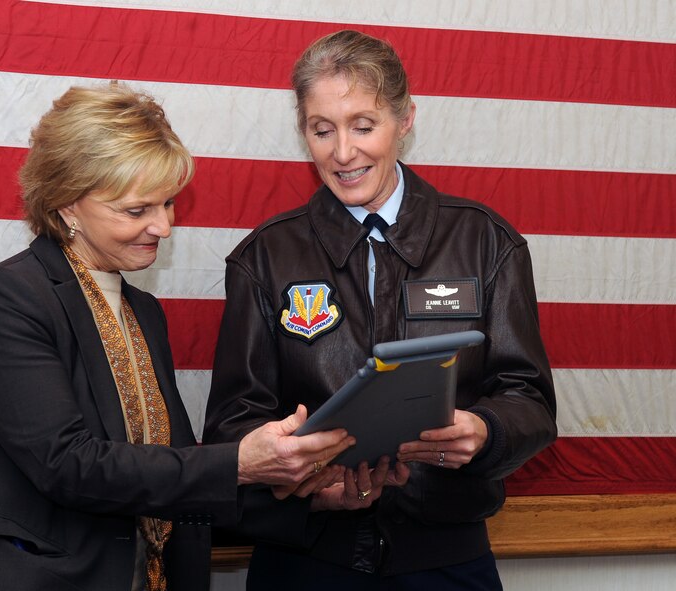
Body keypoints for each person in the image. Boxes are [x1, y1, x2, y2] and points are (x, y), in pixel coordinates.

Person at [0, 84, 356, 591]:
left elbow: (171, 473)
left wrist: (302, 492)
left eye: (168, 203)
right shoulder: (8, 297)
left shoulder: (142, 311)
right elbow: (68, 464)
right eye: (136, 210)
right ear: (66, 206)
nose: (164, 226)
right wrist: (239, 462)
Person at [202, 30, 557, 590]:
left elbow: (529, 399)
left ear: (406, 119)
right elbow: (232, 425)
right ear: (303, 132)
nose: (343, 153)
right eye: (323, 130)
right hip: (306, 561)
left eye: (364, 126)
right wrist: (310, 480)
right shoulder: (264, 257)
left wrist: (484, 430)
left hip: (447, 560)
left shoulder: (486, 242)